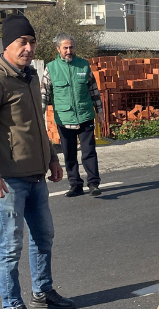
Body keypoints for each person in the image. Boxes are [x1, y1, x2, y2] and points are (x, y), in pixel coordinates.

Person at [0, 15, 75, 309]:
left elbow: (36, 127)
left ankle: (42, 290)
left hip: (36, 175)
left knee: (44, 237)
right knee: (10, 245)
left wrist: (53, 158)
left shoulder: (28, 76)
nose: (28, 48)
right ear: (8, 45)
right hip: (8, 180)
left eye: (31, 42)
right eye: (22, 43)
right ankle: (11, 303)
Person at [41, 34, 104, 197]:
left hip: (85, 116)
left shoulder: (84, 65)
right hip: (64, 118)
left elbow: (94, 91)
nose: (69, 51)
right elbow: (44, 94)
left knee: (89, 151)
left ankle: (93, 183)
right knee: (69, 153)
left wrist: (100, 112)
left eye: (71, 47)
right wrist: (39, 117)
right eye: (65, 48)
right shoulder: (51, 68)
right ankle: (75, 184)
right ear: (58, 49)